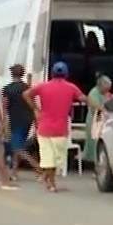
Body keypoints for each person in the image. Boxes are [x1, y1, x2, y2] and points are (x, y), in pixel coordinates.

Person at [25, 61, 85, 192]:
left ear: (52, 73)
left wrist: (35, 109)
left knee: (48, 158)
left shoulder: (42, 86)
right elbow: (83, 98)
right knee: (57, 158)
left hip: (44, 128)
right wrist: (99, 107)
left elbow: (26, 94)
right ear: (66, 74)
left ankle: (47, 178)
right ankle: (51, 183)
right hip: (60, 130)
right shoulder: (71, 87)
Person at [1, 65, 36, 173]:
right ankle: (14, 171)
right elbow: (32, 102)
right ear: (22, 74)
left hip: (15, 120)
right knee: (19, 145)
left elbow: (4, 106)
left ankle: (38, 168)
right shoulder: (27, 88)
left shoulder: (7, 89)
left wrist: (3, 121)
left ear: (12, 74)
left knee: (16, 146)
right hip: (27, 119)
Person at [83, 74, 113, 165]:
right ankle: (95, 164)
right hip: (95, 121)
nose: (107, 91)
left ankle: (99, 163)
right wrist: (105, 112)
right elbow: (95, 108)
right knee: (95, 143)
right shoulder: (94, 93)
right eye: (106, 89)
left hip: (101, 121)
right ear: (101, 86)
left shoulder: (103, 94)